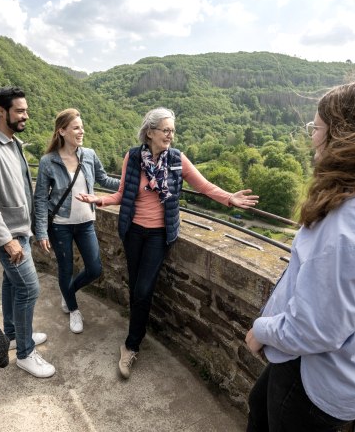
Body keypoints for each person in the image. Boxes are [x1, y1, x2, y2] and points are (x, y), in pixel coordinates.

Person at [244, 77, 355, 431]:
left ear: (345, 135)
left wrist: (261, 331)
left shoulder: (354, 219)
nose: (312, 137)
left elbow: (318, 330)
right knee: (257, 404)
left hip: (318, 375)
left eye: (317, 128)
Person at [78, 107, 259, 379]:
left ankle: (130, 346)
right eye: (166, 130)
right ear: (149, 132)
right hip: (132, 232)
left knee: (142, 289)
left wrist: (229, 198)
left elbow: (204, 186)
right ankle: (136, 331)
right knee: (136, 285)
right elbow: (121, 194)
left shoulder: (177, 160)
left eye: (172, 130)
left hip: (159, 236)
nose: (170, 135)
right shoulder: (134, 157)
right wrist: (99, 200)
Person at [0, 86, 54, 379]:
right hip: (9, 236)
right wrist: (6, 241)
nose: (26, 115)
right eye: (20, 110)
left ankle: (14, 336)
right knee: (29, 289)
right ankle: (26, 354)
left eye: (25, 110)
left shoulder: (13, 142)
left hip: (21, 230)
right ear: (1, 111)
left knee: (13, 285)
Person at [34, 108, 120, 334]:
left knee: (94, 268)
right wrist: (41, 231)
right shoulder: (48, 161)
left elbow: (103, 179)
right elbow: (41, 198)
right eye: (76, 128)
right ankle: (73, 309)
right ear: (62, 131)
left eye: (81, 127)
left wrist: (129, 184)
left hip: (86, 222)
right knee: (66, 268)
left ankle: (68, 292)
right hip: (60, 224)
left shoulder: (89, 155)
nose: (81, 131)